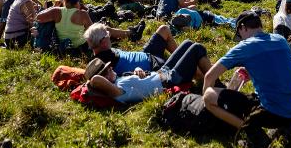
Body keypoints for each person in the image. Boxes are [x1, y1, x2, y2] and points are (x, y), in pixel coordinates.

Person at [202, 10, 291, 148]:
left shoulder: (245, 46)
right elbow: (276, 67)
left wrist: (206, 106)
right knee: (264, 96)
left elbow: (209, 76)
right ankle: (286, 127)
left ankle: (253, 133)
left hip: (273, 113)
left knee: (209, 96)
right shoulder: (280, 40)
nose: (241, 39)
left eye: (240, 34)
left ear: (243, 27)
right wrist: (251, 71)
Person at [85, 38, 213, 105]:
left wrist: (137, 69)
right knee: (197, 48)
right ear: (104, 79)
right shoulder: (117, 92)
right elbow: (96, 80)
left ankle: (206, 80)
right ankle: (216, 85)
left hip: (162, 71)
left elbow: (133, 76)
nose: (111, 68)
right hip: (169, 80)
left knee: (187, 43)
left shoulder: (119, 79)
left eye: (109, 66)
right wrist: (91, 80)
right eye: (107, 70)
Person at [84, 22, 177, 75]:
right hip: (154, 65)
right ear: (103, 42)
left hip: (146, 54)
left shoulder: (102, 50)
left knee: (164, 29)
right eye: (107, 34)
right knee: (187, 51)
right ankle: (178, 57)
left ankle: (177, 55)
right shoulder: (105, 64)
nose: (110, 35)